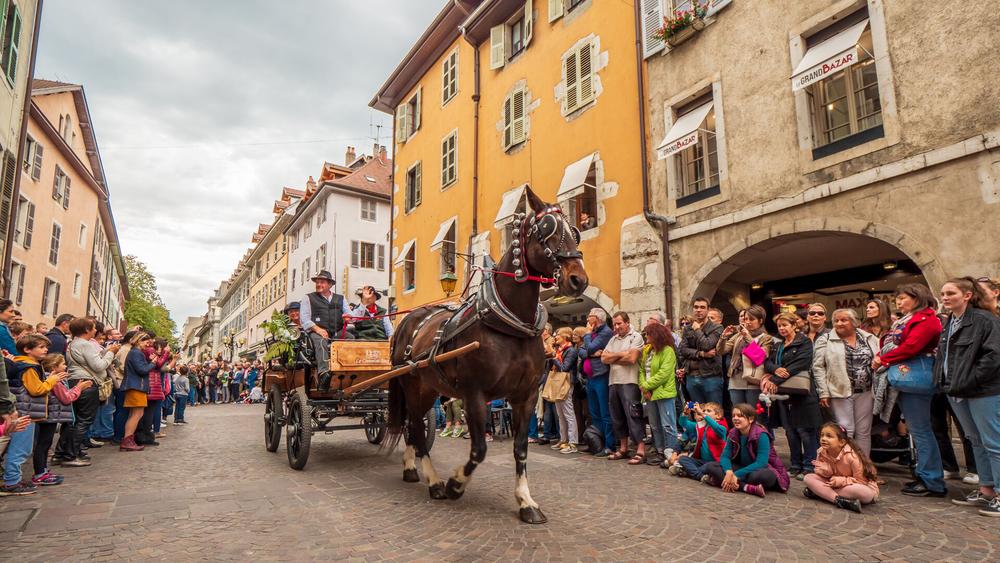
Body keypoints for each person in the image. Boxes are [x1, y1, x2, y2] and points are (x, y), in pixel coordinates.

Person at [873, 284, 945, 497]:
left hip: (914, 377)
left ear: (918, 298)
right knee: (918, 429)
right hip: (908, 377)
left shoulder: (926, 319)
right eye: (898, 298)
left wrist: (883, 359)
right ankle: (927, 475)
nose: (899, 302)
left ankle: (931, 479)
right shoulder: (910, 319)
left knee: (921, 430)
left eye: (903, 298)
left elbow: (912, 346)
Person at [937, 277, 1000, 516]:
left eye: (950, 293)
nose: (945, 298)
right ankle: (987, 490)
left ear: (967, 295)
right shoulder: (950, 321)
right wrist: (943, 381)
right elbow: (945, 357)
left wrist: (969, 380)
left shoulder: (985, 320)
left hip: (983, 391)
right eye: (943, 293)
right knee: (975, 440)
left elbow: (993, 357)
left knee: (994, 442)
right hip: (956, 390)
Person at [761, 312, 821, 480]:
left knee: (805, 431)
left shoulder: (804, 342)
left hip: (802, 394)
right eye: (779, 326)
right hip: (783, 394)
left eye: (785, 325)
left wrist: (775, 379)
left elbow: (801, 363)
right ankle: (795, 465)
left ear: (794, 325)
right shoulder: (778, 345)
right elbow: (767, 362)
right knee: (790, 431)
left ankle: (809, 466)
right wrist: (775, 369)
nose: (782, 328)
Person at [813, 309, 880, 455]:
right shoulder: (825, 339)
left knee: (864, 431)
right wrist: (823, 392)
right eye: (836, 321)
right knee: (845, 430)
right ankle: (845, 465)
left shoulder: (869, 338)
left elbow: (879, 357)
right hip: (839, 391)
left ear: (854, 322)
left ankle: (862, 466)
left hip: (866, 391)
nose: (839, 323)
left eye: (844, 320)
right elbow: (818, 367)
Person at [703, 403, 790, 497]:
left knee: (756, 477)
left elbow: (761, 463)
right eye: (733, 416)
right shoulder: (733, 433)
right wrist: (728, 472)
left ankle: (722, 481)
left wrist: (735, 475)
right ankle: (746, 487)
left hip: (763, 469)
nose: (735, 418)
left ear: (751, 419)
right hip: (742, 467)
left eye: (740, 416)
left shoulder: (761, 435)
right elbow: (725, 456)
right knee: (710, 466)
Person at [63, 318, 118, 461]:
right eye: (93, 328)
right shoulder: (85, 344)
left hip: (75, 380)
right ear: (86, 330)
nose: (95, 330)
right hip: (86, 382)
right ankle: (72, 454)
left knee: (76, 420)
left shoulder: (73, 343)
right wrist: (111, 353)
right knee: (84, 420)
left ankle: (66, 451)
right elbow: (98, 366)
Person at [2, 335, 52, 494]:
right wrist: (53, 380)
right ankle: (12, 481)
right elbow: (37, 389)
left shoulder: (20, 363)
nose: (46, 350)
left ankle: (12, 478)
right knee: (21, 449)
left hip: (22, 411)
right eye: (41, 347)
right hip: (25, 412)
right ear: (27, 350)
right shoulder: (29, 367)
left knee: (17, 447)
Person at [31, 354, 90, 484]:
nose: (65, 366)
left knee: (44, 444)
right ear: (54, 367)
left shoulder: (50, 378)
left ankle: (43, 471)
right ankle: (40, 473)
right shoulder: (55, 380)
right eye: (63, 364)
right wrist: (79, 388)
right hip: (51, 416)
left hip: (49, 414)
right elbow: (66, 398)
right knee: (44, 444)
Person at [803, 423, 880, 513]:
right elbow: (821, 475)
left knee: (864, 493)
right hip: (833, 485)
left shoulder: (852, 457)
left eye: (829, 436)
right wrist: (826, 471)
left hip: (856, 486)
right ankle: (839, 500)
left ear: (841, 442)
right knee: (808, 478)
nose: (823, 438)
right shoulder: (821, 452)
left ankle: (821, 493)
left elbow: (862, 481)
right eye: (822, 435)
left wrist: (841, 481)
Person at [601, 312, 646, 464]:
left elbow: (632, 358)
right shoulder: (613, 339)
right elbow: (603, 358)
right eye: (614, 324)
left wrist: (613, 357)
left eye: (619, 323)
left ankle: (640, 449)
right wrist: (621, 354)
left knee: (633, 415)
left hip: (629, 381)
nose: (616, 326)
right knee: (617, 416)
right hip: (613, 381)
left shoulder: (636, 337)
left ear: (627, 322)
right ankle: (623, 448)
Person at [300, 270, 354, 391]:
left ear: (330, 285)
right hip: (315, 332)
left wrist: (348, 317)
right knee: (321, 341)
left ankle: (348, 368)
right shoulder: (308, 298)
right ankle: (323, 373)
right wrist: (318, 329)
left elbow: (350, 315)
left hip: (336, 332)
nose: (318, 284)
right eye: (317, 282)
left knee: (350, 338)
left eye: (322, 282)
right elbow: (304, 319)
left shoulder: (340, 298)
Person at [638, 322, 679, 467]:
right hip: (649, 393)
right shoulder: (647, 351)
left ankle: (671, 452)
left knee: (668, 425)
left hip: (664, 393)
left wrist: (646, 386)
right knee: (654, 425)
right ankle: (660, 451)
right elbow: (642, 370)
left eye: (648, 334)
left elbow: (664, 373)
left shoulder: (668, 351)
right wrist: (644, 388)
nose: (646, 337)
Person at [717, 305, 773, 409]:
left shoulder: (766, 338)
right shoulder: (738, 336)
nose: (748, 322)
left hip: (754, 380)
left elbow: (760, 357)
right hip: (735, 379)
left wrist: (748, 337)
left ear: (760, 320)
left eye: (751, 319)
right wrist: (723, 337)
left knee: (753, 413)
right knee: (738, 412)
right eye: (746, 319)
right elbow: (721, 351)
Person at [678, 297, 725, 406]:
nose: (698, 310)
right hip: (692, 376)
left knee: (714, 410)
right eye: (696, 307)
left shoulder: (717, 327)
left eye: (702, 307)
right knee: (697, 411)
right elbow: (683, 350)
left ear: (708, 309)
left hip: (711, 376)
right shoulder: (687, 328)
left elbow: (707, 345)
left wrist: (697, 330)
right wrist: (701, 354)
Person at [582, 309, 614, 456]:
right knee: (594, 412)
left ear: (598, 318)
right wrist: (592, 353)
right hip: (591, 377)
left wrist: (587, 335)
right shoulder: (593, 333)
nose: (587, 319)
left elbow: (588, 348)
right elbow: (582, 351)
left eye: (590, 316)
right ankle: (596, 443)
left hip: (601, 376)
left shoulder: (605, 332)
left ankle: (609, 445)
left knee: (604, 412)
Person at [670, 402, 728, 478]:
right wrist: (685, 413)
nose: (705, 412)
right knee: (683, 459)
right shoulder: (702, 425)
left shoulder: (722, 426)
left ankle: (692, 473)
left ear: (718, 416)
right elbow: (684, 423)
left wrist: (703, 414)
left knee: (708, 467)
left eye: (708, 411)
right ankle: (698, 474)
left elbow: (717, 428)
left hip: (715, 462)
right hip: (701, 461)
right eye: (704, 411)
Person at [121, 332, 155, 451]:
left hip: (135, 386)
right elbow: (142, 370)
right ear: (139, 341)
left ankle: (128, 439)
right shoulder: (136, 353)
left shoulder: (135, 352)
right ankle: (127, 440)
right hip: (136, 386)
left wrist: (149, 361)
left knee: (135, 414)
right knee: (136, 415)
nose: (147, 345)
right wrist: (153, 363)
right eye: (146, 342)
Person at [550, 328, 579, 454]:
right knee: (560, 414)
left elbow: (564, 368)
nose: (555, 336)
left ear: (565, 336)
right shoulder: (560, 350)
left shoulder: (571, 351)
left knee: (568, 413)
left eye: (558, 335)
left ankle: (573, 442)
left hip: (566, 383)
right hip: (559, 383)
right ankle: (563, 440)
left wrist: (554, 357)